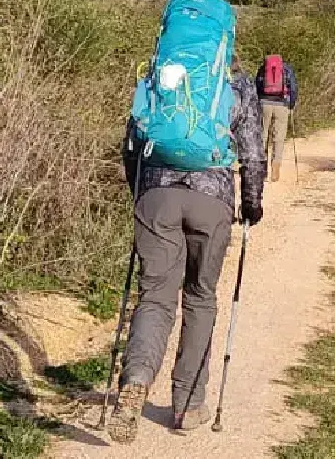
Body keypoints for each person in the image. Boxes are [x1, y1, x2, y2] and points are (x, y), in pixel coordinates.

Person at [109, 53, 266, 443]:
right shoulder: (239, 86)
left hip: (157, 196)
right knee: (200, 297)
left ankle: (138, 378)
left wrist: (141, 194)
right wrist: (251, 202)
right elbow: (252, 154)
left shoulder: (157, 79)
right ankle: (188, 405)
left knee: (155, 299)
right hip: (211, 202)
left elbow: (132, 145)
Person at [256, 55, 299, 182]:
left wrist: (258, 102)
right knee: (278, 138)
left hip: (264, 104)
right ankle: (275, 168)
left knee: (262, 137)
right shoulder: (286, 69)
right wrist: (291, 105)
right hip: (282, 105)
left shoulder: (263, 68)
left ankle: (261, 169)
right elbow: (293, 88)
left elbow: (256, 86)